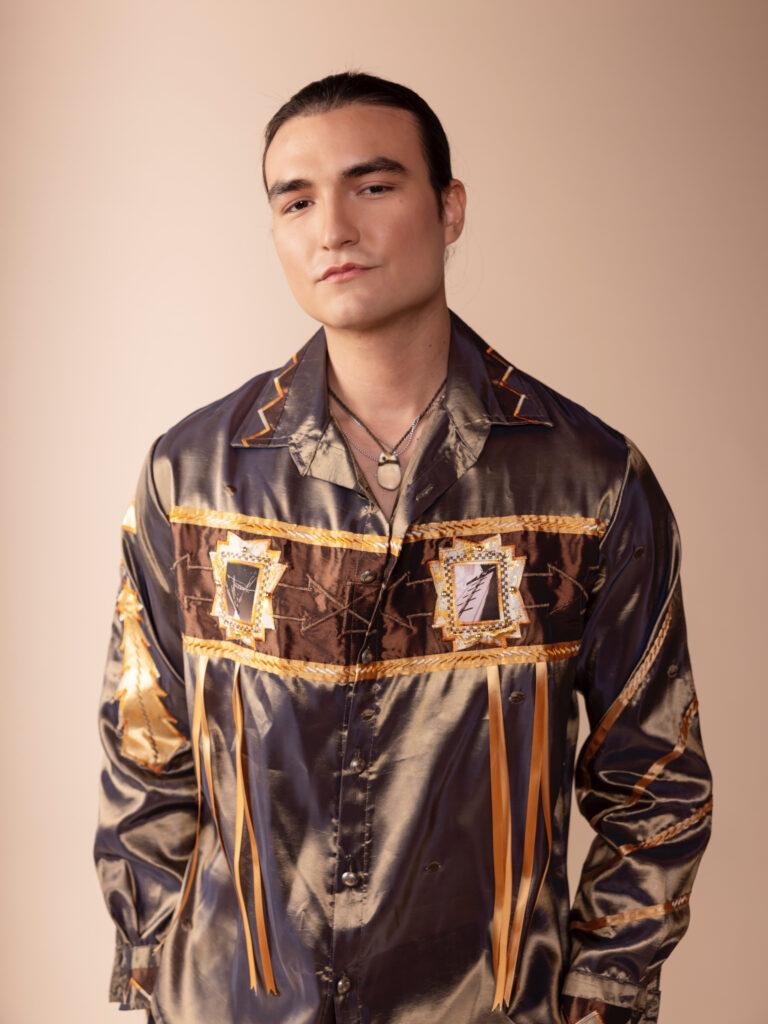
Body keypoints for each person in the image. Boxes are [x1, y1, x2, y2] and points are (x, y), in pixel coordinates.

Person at [93, 71, 713, 1024]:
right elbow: (148, 757)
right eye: (296, 200)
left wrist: (603, 1000)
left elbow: (655, 780)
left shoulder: (589, 485)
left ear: (449, 206)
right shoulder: (195, 479)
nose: (332, 226)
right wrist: (154, 981)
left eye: (372, 185)